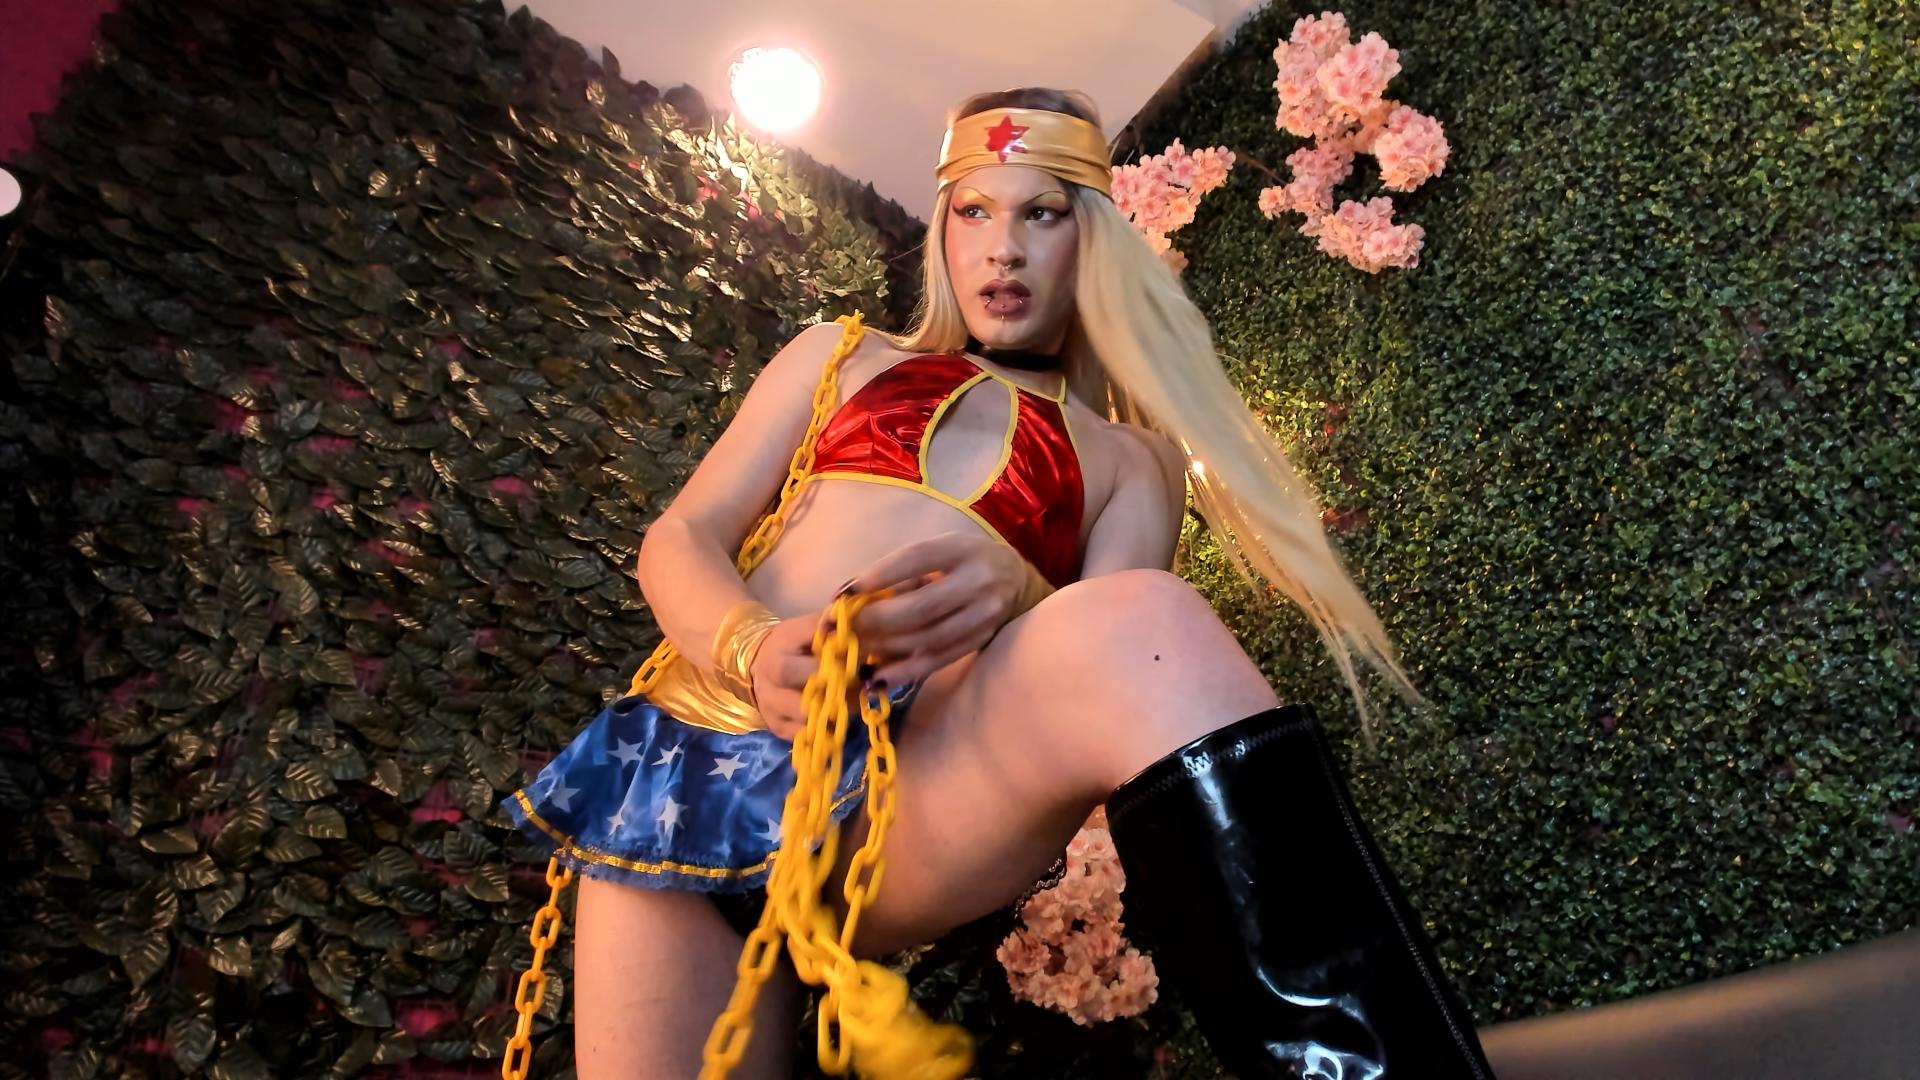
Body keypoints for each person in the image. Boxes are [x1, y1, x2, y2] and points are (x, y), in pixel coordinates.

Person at [502, 86, 1497, 1079]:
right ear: (942, 227)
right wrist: (754, 647)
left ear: (1091, 237)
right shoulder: (838, 356)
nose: (1003, 249)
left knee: (1142, 619)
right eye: (974, 211)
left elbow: (1103, 697)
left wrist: (1020, 593)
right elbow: (681, 535)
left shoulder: (1132, 462)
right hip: (686, 761)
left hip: (912, 789)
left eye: (1042, 214)